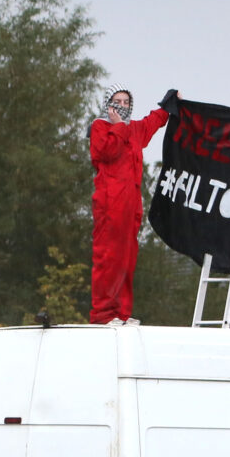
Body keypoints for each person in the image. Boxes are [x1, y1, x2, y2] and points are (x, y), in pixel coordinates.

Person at [88, 87, 169, 325]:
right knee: (108, 257)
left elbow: (152, 122)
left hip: (131, 203)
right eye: (117, 101)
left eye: (126, 102)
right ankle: (103, 314)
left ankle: (121, 313)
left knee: (127, 258)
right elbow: (107, 152)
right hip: (110, 201)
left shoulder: (134, 129)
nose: (122, 106)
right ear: (108, 104)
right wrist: (118, 126)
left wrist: (170, 104)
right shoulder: (100, 126)